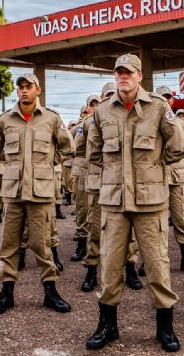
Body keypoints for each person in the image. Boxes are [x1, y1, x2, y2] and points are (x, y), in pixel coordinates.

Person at [85, 55, 184, 352]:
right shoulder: (103, 111)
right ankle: (108, 326)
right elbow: (94, 152)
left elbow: (179, 147)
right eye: (119, 72)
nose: (123, 77)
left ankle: (165, 328)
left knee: (157, 265)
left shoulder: (158, 108)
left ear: (140, 76)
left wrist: (153, 168)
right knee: (111, 266)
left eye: (129, 72)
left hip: (150, 201)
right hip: (115, 201)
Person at [0, 73, 74, 315]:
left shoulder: (51, 119)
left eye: (29, 87)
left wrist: (47, 164)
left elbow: (68, 148)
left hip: (41, 192)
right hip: (14, 193)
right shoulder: (5, 119)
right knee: (9, 245)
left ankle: (51, 292)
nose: (24, 91)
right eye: (21, 87)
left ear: (38, 90)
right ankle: (6, 294)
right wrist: (14, 164)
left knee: (42, 244)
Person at [79, 83, 144, 293]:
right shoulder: (92, 122)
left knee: (130, 233)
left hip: (126, 184)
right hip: (100, 185)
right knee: (97, 229)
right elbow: (83, 150)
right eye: (104, 97)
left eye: (110, 95)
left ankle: (130, 268)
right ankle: (91, 270)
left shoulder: (134, 118)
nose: (107, 99)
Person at [156, 85, 184, 274]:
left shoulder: (180, 123)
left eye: (168, 97)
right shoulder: (151, 120)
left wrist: (163, 161)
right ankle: (151, 261)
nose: (165, 100)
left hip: (176, 176)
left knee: (181, 218)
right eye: (162, 96)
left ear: (172, 101)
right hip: (156, 179)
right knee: (155, 223)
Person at [70, 95, 99, 262]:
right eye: (92, 104)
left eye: (98, 103)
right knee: (83, 208)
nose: (95, 107)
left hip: (103, 171)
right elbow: (73, 144)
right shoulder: (84, 124)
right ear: (87, 108)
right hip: (84, 170)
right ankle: (81, 245)